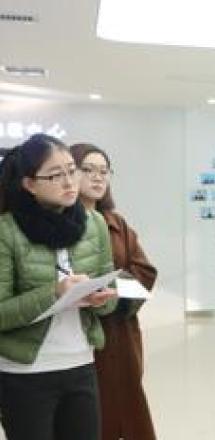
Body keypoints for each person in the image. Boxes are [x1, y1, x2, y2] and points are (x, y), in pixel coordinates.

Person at [0, 133, 117, 440]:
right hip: (25, 372)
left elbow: (109, 301)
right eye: (55, 175)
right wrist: (55, 292)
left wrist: (102, 298)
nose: (69, 182)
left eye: (71, 171)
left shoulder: (94, 223)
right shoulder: (7, 231)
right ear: (29, 184)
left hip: (81, 363)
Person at [70, 143, 158, 440]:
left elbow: (145, 271)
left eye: (104, 171)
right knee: (91, 412)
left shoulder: (116, 222)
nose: (98, 177)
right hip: (79, 330)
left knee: (127, 404)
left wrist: (110, 291)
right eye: (88, 170)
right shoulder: (58, 223)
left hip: (120, 330)